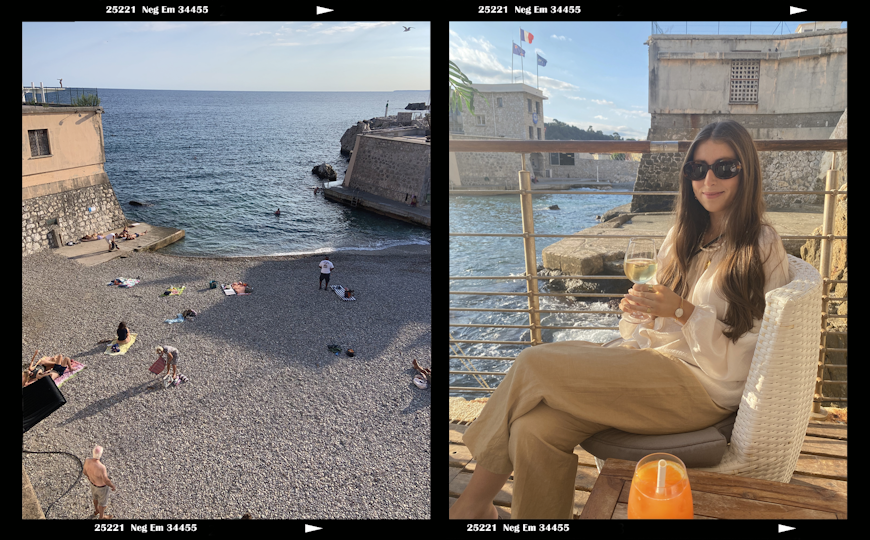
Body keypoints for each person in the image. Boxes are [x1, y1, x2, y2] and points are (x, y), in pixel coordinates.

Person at [449, 120, 790, 520]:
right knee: (533, 431)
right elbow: (656, 324)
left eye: (724, 168)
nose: (708, 179)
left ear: (745, 172)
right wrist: (641, 313)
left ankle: (471, 506)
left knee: (532, 363)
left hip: (704, 387)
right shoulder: (683, 233)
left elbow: (754, 354)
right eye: (697, 169)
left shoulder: (761, 246)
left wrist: (681, 310)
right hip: (653, 365)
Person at [83, 445, 116, 519]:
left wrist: (90, 477)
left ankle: (96, 510)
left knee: (95, 498)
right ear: (100, 455)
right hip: (102, 488)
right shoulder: (101, 467)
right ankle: (101, 517)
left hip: (92, 484)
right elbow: (106, 480)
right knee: (103, 503)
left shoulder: (87, 460)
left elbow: (84, 471)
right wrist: (112, 486)